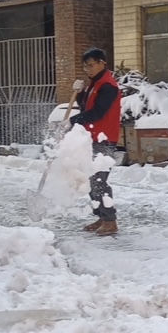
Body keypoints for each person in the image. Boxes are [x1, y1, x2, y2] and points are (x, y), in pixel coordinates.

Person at [69, 47, 123, 236]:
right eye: (86, 66)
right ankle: (101, 216)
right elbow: (86, 107)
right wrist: (81, 92)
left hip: (104, 138)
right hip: (92, 137)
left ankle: (110, 220)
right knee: (92, 180)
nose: (88, 69)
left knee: (99, 180)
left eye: (91, 65)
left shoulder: (108, 85)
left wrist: (74, 120)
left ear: (102, 63)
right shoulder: (95, 84)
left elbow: (99, 112)